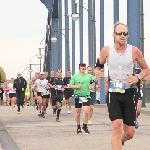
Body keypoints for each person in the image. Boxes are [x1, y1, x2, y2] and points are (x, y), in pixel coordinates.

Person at [94, 22, 149, 150]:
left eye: (125, 33)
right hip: (113, 93)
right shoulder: (106, 50)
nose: (122, 36)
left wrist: (137, 77)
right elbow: (99, 65)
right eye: (119, 33)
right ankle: (117, 142)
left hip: (129, 93)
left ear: (128, 35)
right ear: (114, 35)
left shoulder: (134, 51)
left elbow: (146, 69)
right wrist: (97, 72)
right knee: (116, 126)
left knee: (130, 132)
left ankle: (120, 141)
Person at [69, 63, 94, 134]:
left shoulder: (88, 76)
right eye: (82, 67)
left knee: (86, 111)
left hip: (86, 96)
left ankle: (85, 126)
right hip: (78, 96)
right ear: (79, 68)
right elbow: (70, 85)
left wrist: (98, 74)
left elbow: (94, 79)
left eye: (84, 67)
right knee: (78, 113)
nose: (83, 68)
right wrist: (77, 86)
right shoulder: (75, 76)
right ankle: (78, 127)